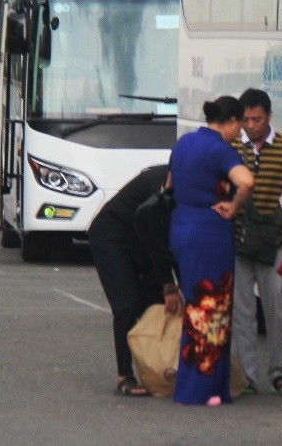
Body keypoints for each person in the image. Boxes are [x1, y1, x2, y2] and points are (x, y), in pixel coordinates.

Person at [168, 96, 254, 406]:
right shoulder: (221, 149)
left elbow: (169, 184)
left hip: (181, 226)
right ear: (231, 122)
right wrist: (233, 206)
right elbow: (246, 181)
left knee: (197, 305)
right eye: (240, 124)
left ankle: (212, 387)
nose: (241, 131)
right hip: (210, 231)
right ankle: (201, 389)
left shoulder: (184, 143)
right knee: (211, 309)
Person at [88, 164, 180, 397]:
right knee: (127, 304)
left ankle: (158, 370)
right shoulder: (157, 188)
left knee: (156, 306)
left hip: (142, 243)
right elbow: (157, 244)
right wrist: (170, 287)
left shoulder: (190, 188)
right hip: (112, 237)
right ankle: (125, 376)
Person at [231, 88, 282, 396]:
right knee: (242, 312)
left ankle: (281, 372)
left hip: (278, 241)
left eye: (257, 119)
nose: (251, 125)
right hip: (239, 240)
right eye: (246, 120)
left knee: (278, 311)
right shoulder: (230, 146)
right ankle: (246, 375)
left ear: (269, 117)